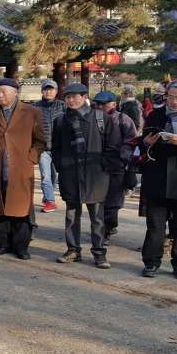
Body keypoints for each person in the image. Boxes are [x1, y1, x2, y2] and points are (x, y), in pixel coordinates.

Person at [0, 78, 46, 260]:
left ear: (16, 92)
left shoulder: (31, 112)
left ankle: (21, 246)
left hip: (21, 167)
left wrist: (31, 159)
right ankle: (1, 243)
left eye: (3, 91)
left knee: (20, 208)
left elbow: (39, 141)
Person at [51, 84, 120, 268]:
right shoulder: (60, 121)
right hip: (70, 174)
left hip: (95, 175)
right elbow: (55, 148)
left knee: (97, 218)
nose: (71, 100)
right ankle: (73, 250)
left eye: (75, 97)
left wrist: (103, 165)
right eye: (68, 97)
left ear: (85, 97)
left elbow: (113, 147)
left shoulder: (101, 118)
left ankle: (99, 253)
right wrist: (61, 166)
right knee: (71, 216)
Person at [138, 79, 177, 279]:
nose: (173, 102)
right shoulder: (156, 114)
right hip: (157, 176)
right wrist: (146, 141)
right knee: (154, 225)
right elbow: (143, 141)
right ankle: (151, 262)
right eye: (170, 97)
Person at [93, 90, 137, 247]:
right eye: (97, 103)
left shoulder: (123, 119)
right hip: (96, 165)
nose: (100, 106)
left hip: (117, 166)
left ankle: (107, 230)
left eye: (104, 104)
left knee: (113, 201)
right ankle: (101, 228)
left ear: (114, 104)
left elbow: (131, 140)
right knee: (97, 200)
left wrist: (122, 158)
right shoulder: (92, 118)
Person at [33, 79, 67, 213]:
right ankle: (50, 201)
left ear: (56, 91)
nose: (48, 92)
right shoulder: (35, 107)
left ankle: (48, 196)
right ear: (41, 91)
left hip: (59, 148)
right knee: (45, 176)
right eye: (46, 89)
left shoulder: (63, 106)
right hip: (43, 148)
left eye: (51, 89)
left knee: (55, 177)